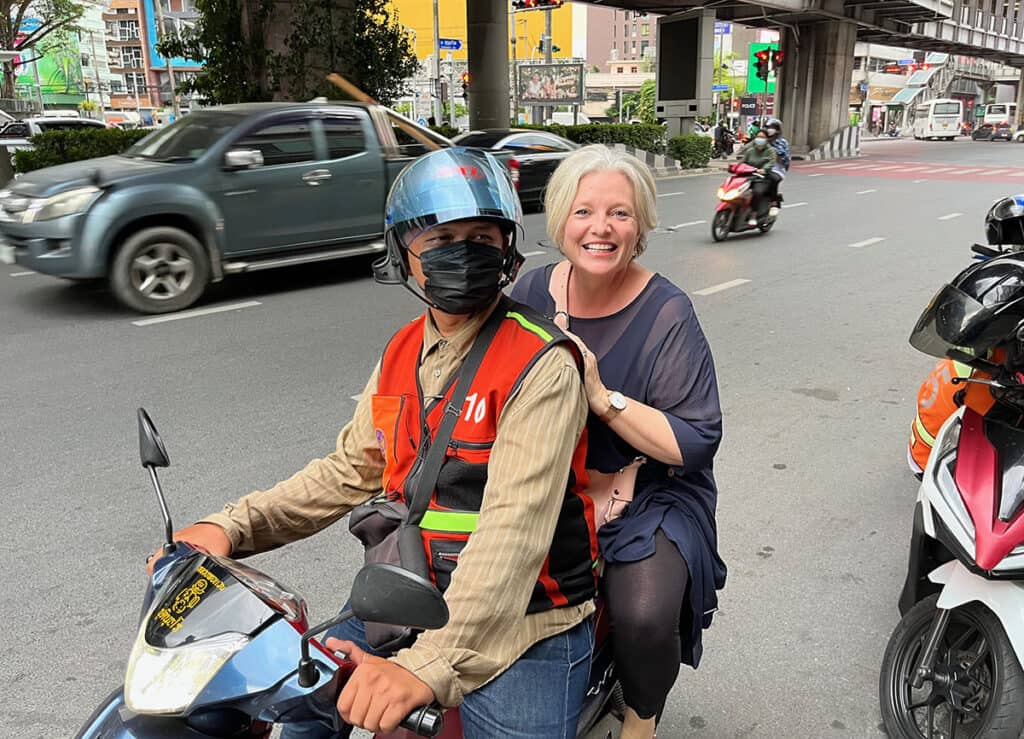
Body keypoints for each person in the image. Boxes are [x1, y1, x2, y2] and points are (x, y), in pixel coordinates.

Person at [151, 147, 599, 738]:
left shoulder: (540, 364)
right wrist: (232, 527)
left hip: (525, 619)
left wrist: (426, 666)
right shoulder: (400, 353)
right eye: (440, 240)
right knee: (280, 703)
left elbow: (511, 537)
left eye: (482, 237)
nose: (462, 253)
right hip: (410, 593)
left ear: (507, 250)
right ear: (404, 254)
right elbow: (347, 471)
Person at [510, 145, 727, 739]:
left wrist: (601, 394)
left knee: (644, 615)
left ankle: (640, 717)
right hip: (546, 484)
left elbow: (696, 440)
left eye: (619, 214)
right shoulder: (530, 295)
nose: (600, 228)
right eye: (583, 212)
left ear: (641, 228)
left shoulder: (667, 312)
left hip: (651, 493)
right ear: (559, 222)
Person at [735, 129, 777, 227]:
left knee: (756, 192)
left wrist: (763, 169)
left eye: (762, 137)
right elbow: (742, 162)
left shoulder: (770, 151)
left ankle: (753, 215)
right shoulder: (750, 151)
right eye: (758, 137)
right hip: (748, 176)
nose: (759, 139)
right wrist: (735, 167)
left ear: (767, 139)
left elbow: (771, 163)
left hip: (762, 178)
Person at [763, 118, 790, 217]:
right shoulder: (761, 140)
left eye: (772, 128)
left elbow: (781, 157)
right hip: (759, 168)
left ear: (778, 130)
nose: (769, 129)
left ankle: (773, 203)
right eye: (767, 127)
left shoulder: (782, 142)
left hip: (776, 169)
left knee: (772, 179)